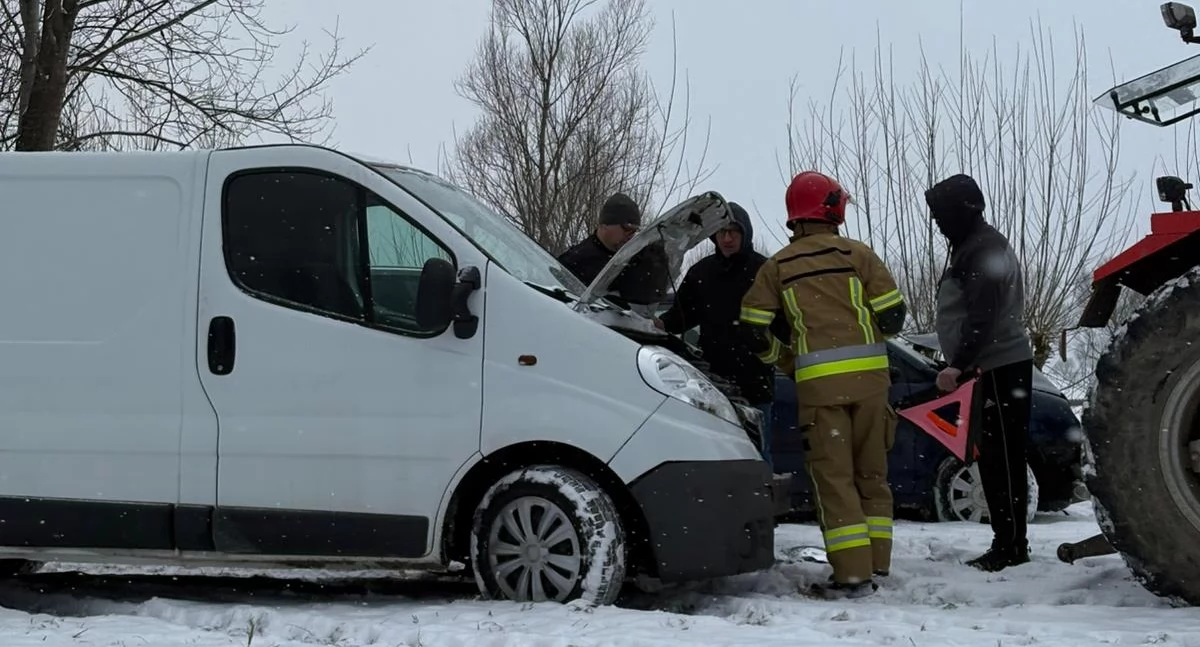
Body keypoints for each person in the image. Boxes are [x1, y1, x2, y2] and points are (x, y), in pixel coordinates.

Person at [739, 170, 906, 599]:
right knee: (872, 474)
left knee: (835, 481)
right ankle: (878, 563)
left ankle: (852, 575)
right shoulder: (860, 255)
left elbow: (753, 329)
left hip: (819, 391)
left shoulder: (779, 266)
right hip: (872, 387)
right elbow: (893, 317)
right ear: (833, 209)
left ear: (795, 215)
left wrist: (786, 360)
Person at [925, 173, 1035, 573]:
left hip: (999, 366)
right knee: (995, 458)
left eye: (941, 215)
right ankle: (1008, 543)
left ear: (963, 211)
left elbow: (982, 315)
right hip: (992, 366)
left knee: (1000, 460)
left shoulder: (982, 248)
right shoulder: (973, 245)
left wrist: (958, 364)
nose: (938, 223)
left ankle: (1010, 547)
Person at [653, 202, 791, 467]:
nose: (727, 239)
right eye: (721, 232)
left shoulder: (765, 272)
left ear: (745, 234)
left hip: (756, 384)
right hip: (712, 384)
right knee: (716, 456)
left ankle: (761, 494)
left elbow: (786, 325)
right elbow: (681, 317)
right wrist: (657, 324)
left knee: (757, 456)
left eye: (733, 232)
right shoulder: (701, 273)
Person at [558, 192, 668, 306]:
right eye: (627, 228)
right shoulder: (574, 260)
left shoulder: (636, 258)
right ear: (605, 225)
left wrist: (656, 261)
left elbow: (649, 300)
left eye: (635, 231)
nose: (631, 235)